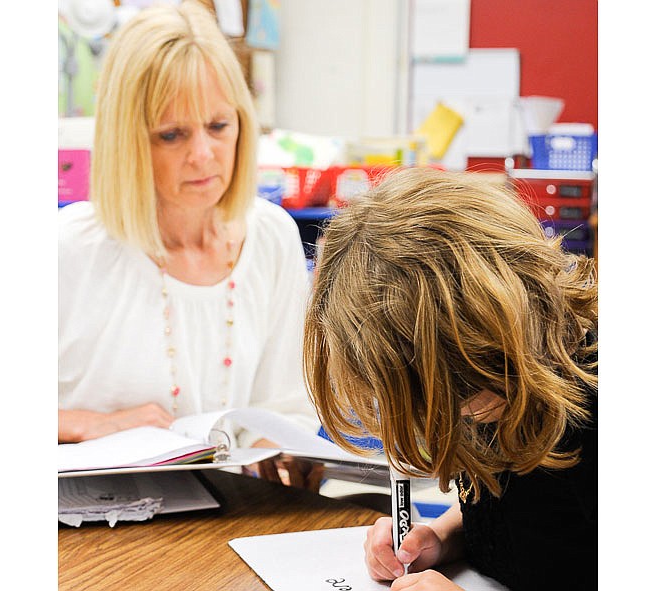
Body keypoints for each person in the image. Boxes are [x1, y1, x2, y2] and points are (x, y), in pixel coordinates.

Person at [58, 0, 321, 490]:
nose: (203, 155)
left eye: (219, 126)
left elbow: (285, 408)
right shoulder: (69, 248)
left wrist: (279, 456)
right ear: (128, 140)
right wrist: (81, 424)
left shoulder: (270, 236)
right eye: (172, 134)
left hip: (223, 519)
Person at [303, 167, 597, 590]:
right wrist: (444, 537)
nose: (463, 417)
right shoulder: (495, 391)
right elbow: (534, 516)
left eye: (455, 394)